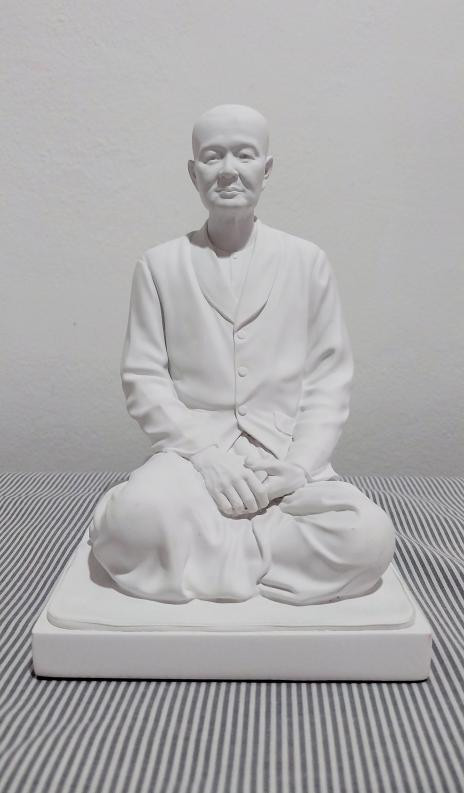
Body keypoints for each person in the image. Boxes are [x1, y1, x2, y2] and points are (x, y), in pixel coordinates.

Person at [89, 103, 396, 605]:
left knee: (369, 537)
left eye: (245, 155)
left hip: (283, 459)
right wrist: (204, 456)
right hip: (194, 460)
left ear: (266, 170)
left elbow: (328, 380)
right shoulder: (160, 265)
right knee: (133, 521)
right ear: (193, 173)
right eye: (213, 156)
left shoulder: (307, 261)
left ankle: (201, 552)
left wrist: (299, 466)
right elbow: (144, 379)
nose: (228, 170)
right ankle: (245, 550)